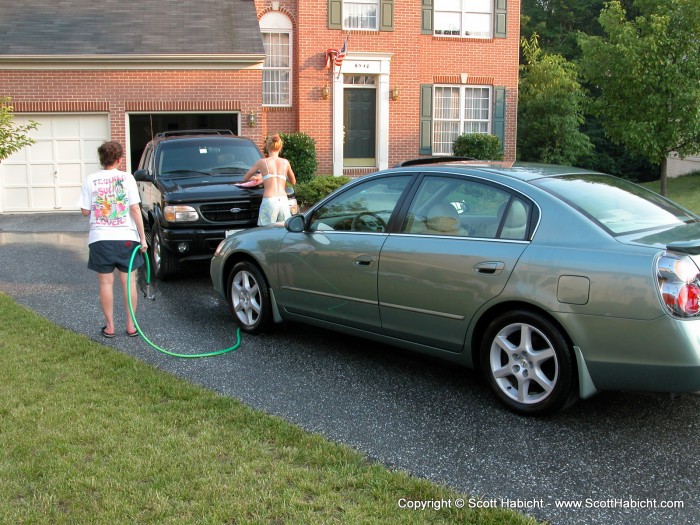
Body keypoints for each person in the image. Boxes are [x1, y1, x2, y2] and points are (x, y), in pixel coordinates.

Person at [77, 140, 148, 338]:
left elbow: (85, 211)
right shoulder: (127, 178)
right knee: (129, 282)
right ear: (119, 159)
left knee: (106, 284)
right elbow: (135, 209)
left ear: (101, 159)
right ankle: (131, 326)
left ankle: (110, 327)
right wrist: (143, 239)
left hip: (100, 239)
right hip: (126, 238)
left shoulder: (90, 180)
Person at [243, 133, 296, 225]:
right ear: (280, 147)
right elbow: (293, 181)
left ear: (268, 147)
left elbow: (245, 178)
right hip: (283, 200)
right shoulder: (285, 162)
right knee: (283, 230)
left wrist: (258, 177)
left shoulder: (262, 162)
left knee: (266, 231)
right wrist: (281, 177)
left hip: (270, 200)